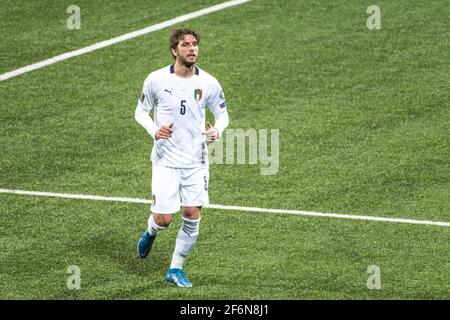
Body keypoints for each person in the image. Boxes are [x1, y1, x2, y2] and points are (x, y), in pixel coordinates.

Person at [134, 27, 229, 288]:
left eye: (195, 44)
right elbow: (140, 112)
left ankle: (175, 269)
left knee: (192, 214)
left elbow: (222, 114)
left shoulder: (208, 82)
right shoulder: (156, 80)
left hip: (196, 161)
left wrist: (216, 130)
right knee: (164, 218)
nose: (192, 49)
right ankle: (151, 231)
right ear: (174, 51)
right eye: (186, 45)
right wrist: (155, 131)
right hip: (165, 160)